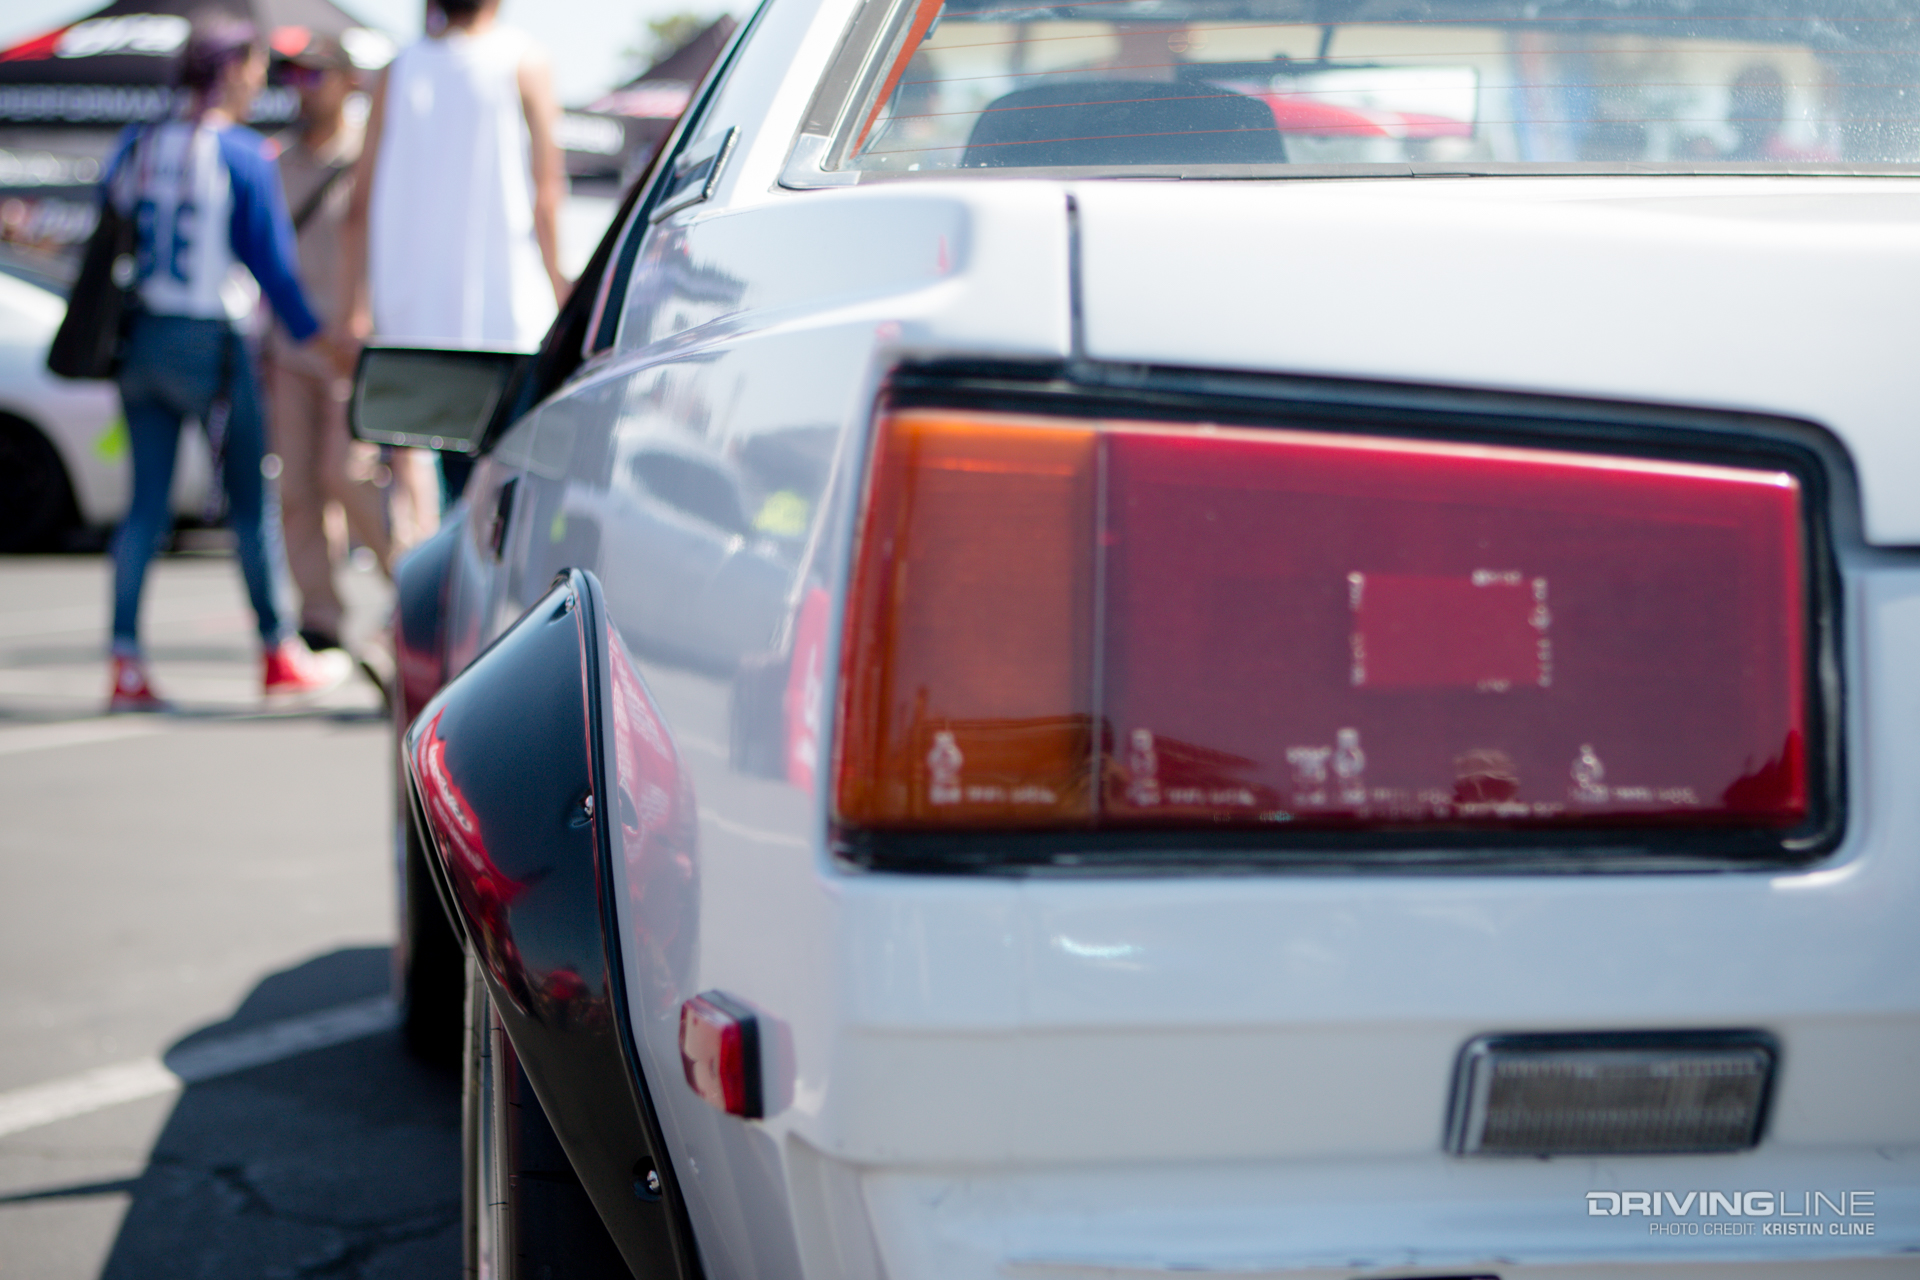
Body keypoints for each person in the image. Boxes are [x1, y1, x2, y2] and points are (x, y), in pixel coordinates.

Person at [103, 13, 351, 712]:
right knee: (249, 503)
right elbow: (270, 265)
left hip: (141, 337)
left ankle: (125, 662)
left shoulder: (138, 145)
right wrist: (320, 339)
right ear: (230, 71)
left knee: (145, 506)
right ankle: (277, 651)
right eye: (255, 69)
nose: (262, 83)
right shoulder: (242, 154)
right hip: (212, 339)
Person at [337, 0, 570, 504]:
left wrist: (354, 307)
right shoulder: (524, 60)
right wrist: (563, 297)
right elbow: (547, 196)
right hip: (509, 322)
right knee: (510, 496)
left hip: (417, 326)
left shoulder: (400, 69)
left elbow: (359, 201)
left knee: (448, 492)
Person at [264, 32, 393, 657]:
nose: (300, 89)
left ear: (347, 82)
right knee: (296, 491)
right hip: (290, 349)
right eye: (291, 76)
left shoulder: (369, 157)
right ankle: (321, 618)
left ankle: (411, 588)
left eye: (314, 75)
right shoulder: (277, 164)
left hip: (350, 347)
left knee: (346, 475)